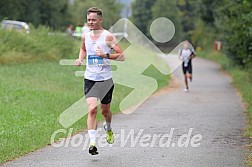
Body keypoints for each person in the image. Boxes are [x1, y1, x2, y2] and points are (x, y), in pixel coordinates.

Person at [75, 7, 124, 155]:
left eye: (93, 20)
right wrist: (80, 58)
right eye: (89, 19)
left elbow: (121, 55)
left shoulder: (108, 37)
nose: (90, 22)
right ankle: (92, 143)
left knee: (105, 111)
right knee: (92, 109)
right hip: (90, 78)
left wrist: (105, 56)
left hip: (105, 80)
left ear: (100, 20)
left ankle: (108, 128)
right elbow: (83, 49)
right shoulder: (85, 36)